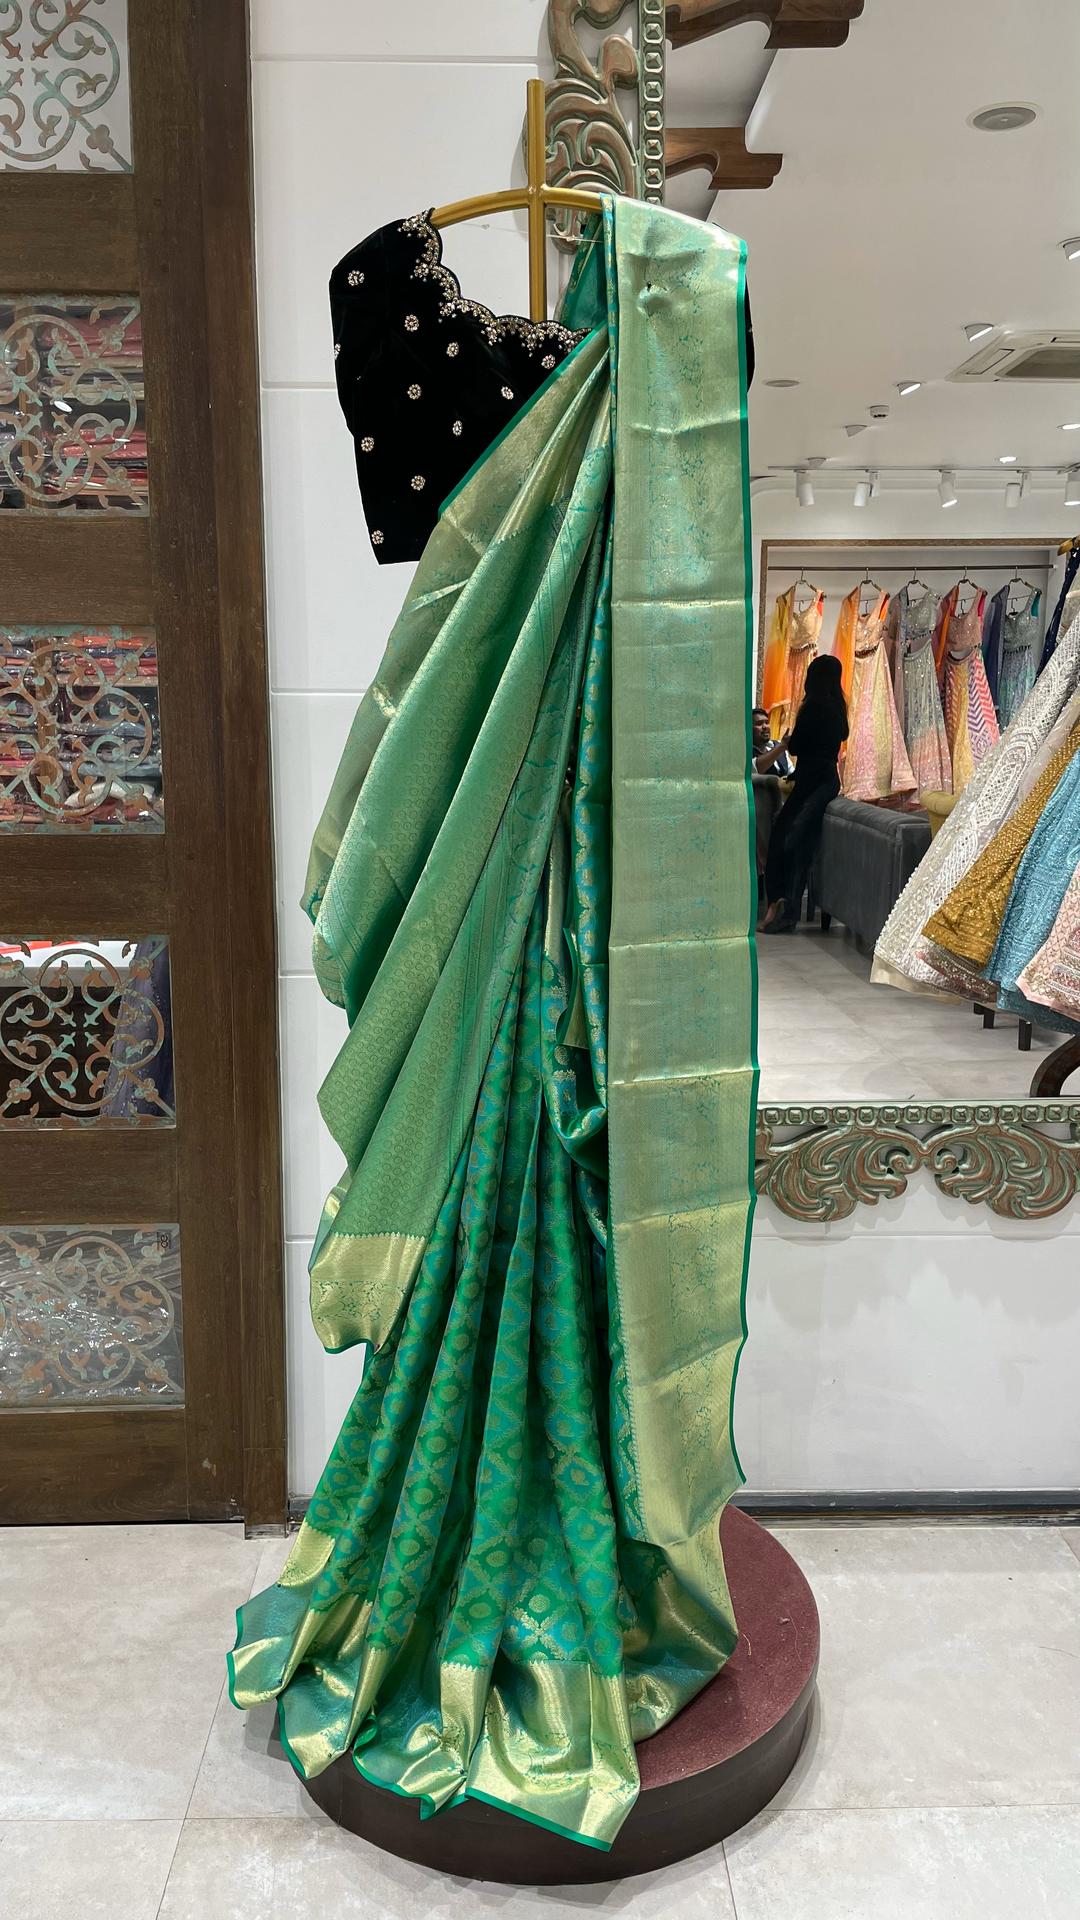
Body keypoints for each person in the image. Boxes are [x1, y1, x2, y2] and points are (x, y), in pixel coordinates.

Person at [762, 653, 849, 933]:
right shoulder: (838, 707)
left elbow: (796, 746)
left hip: (810, 782)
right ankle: (785, 910)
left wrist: (790, 741)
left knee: (785, 841)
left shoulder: (812, 707)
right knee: (800, 842)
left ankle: (781, 907)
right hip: (828, 780)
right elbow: (842, 736)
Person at [751, 706, 792, 890]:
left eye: (766, 723)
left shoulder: (776, 747)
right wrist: (781, 747)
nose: (765, 727)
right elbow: (757, 768)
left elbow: (790, 772)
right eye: (759, 724)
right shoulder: (744, 751)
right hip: (760, 816)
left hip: (784, 810)